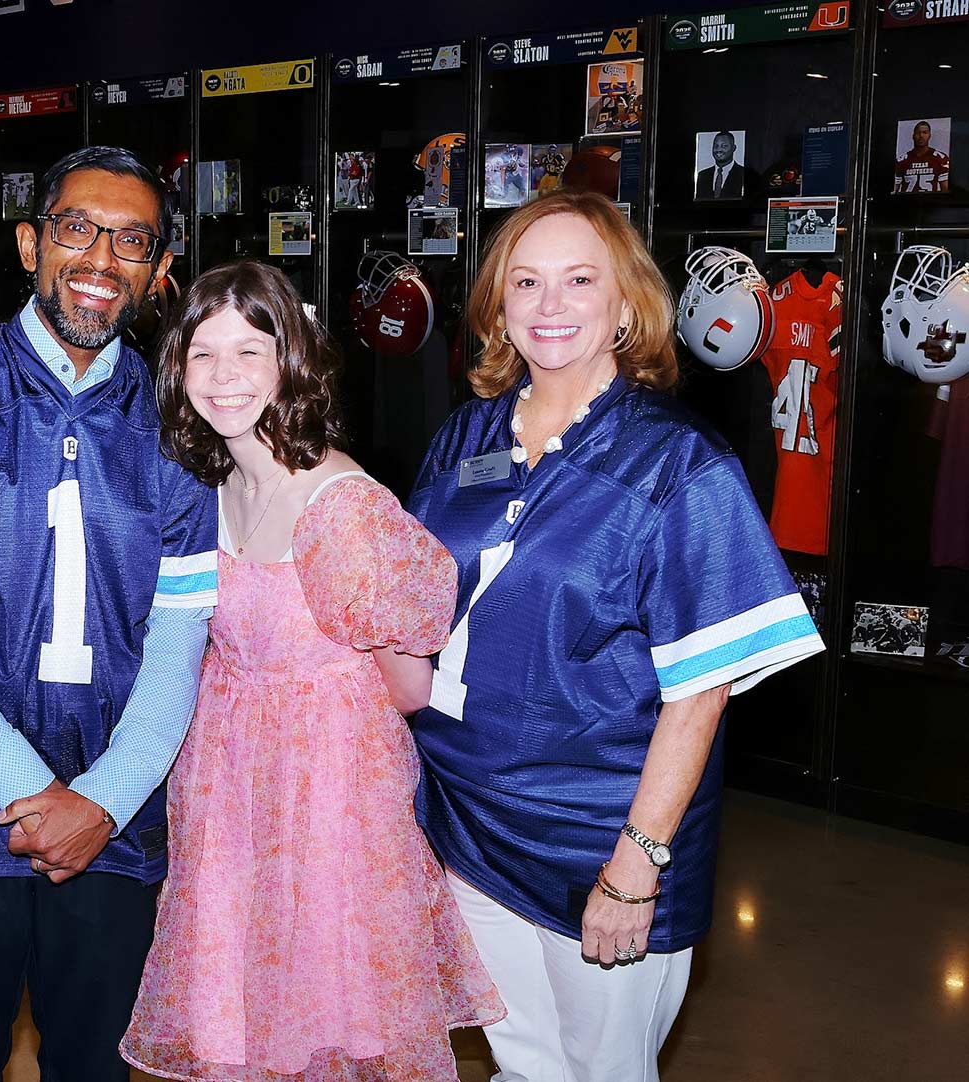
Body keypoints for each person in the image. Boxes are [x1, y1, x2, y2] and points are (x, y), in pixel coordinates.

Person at [406, 190, 825, 1082]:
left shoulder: (681, 465)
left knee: (606, 1073)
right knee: (519, 1062)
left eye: (579, 279)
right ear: (498, 305)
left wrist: (637, 865)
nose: (550, 305)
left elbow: (701, 685)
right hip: (467, 821)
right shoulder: (465, 437)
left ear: (626, 302)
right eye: (526, 281)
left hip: (597, 835)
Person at [0, 145, 217, 1081]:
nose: (101, 259)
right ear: (29, 244)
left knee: (96, 1065)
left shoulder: (181, 424)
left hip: (116, 810)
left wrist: (99, 800)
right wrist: (32, 792)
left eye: (132, 240)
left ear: (159, 271)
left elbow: (183, 636)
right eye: (76, 229)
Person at [120, 261, 504, 1081]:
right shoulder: (210, 485)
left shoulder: (342, 509)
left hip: (327, 803)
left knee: (325, 1022)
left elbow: (408, 686)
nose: (224, 379)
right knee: (248, 1019)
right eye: (203, 355)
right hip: (228, 791)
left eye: (249, 353)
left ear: (289, 359)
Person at [894, 120, 950, 194]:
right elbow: (895, 189)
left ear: (929, 135)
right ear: (913, 136)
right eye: (918, 133)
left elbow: (945, 190)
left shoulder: (941, 158)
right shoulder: (902, 160)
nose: (921, 136)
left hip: (931, 203)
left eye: (925, 132)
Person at [694, 131, 746, 200]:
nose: (719, 150)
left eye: (724, 146)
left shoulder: (744, 174)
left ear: (734, 148)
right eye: (716, 146)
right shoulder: (702, 175)